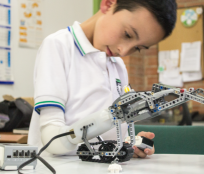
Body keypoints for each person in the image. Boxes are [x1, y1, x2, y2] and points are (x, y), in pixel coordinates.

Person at [28, 0, 177, 158]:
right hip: (59, 166)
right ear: (108, 4)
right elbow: (53, 140)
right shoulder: (58, 46)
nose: (124, 50)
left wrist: (129, 144)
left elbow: (114, 131)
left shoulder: (117, 64)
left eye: (138, 48)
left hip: (101, 164)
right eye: (127, 34)